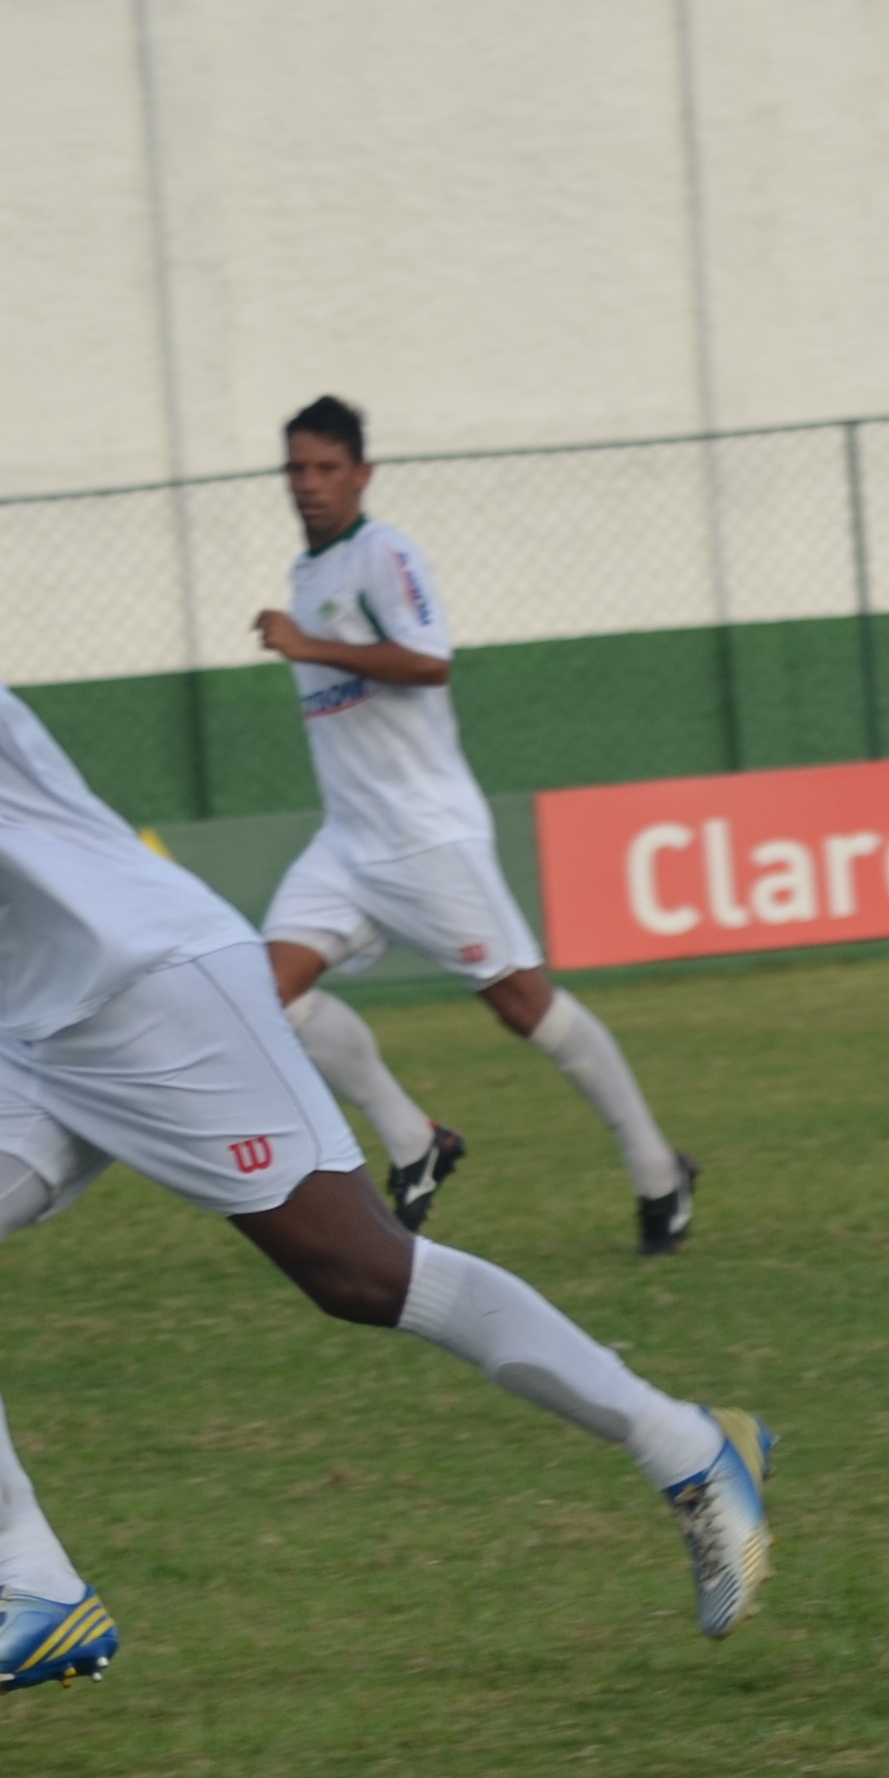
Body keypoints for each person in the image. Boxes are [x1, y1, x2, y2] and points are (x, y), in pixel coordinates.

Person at [0, 440, 774, 1706]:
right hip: (29, 1019)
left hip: (150, 985)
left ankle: (688, 1446)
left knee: (363, 1274)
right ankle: (41, 1593)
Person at [253, 395, 700, 1254]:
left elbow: (429, 661)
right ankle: (414, 1141)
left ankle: (658, 1170)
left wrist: (311, 647)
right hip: (347, 843)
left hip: (425, 838)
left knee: (523, 1005)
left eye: (326, 468)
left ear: (362, 474)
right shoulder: (307, 573)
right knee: (265, 995)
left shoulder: (385, 554)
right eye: (296, 469)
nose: (309, 484)